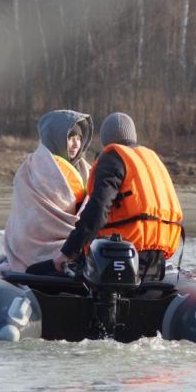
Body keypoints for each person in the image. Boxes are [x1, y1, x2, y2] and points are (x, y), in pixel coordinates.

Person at [53, 112, 183, 280]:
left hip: (122, 255)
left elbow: (98, 211)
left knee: (41, 270)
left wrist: (68, 252)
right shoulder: (152, 159)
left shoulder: (113, 159)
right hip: (157, 258)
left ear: (106, 138)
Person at [1, 110, 93, 272]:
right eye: (70, 137)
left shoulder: (86, 170)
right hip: (32, 247)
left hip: (77, 244)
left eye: (79, 138)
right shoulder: (31, 169)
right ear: (56, 137)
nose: (76, 144)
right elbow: (27, 220)